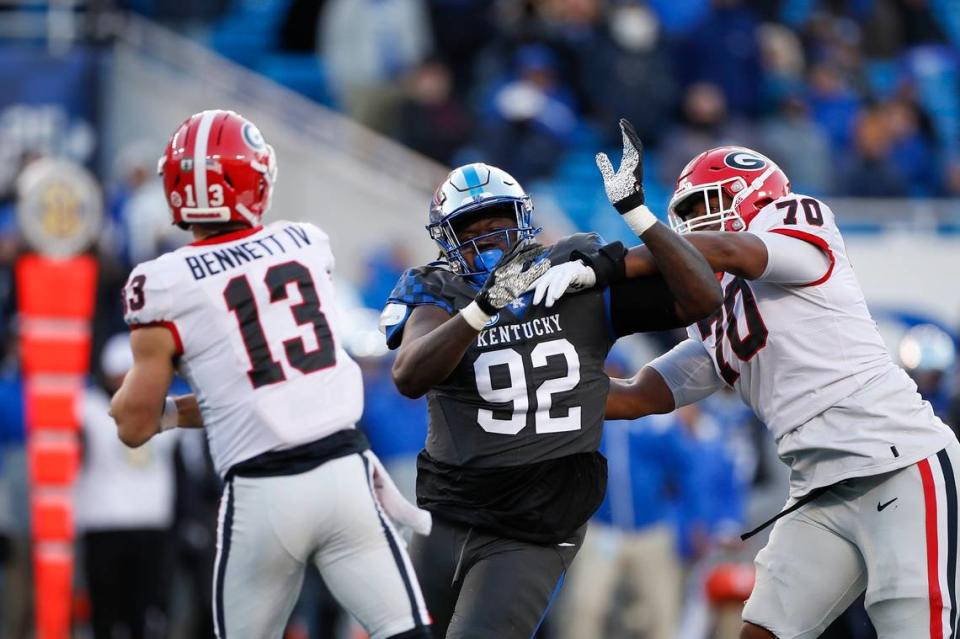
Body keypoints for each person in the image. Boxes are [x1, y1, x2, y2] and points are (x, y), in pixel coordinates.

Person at [533, 142, 960, 638]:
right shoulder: (714, 314)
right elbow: (638, 394)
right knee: (759, 632)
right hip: (818, 492)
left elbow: (735, 250)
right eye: (687, 217)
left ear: (755, 197)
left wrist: (610, 260)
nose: (695, 227)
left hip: (900, 466)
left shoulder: (801, 220)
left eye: (706, 207)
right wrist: (539, 388)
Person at [378, 119, 723, 639]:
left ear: (523, 220)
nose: (487, 239)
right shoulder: (439, 290)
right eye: (469, 231)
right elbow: (408, 375)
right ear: (446, 242)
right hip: (450, 509)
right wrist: (481, 309)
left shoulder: (571, 275)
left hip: (536, 516)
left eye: (496, 222)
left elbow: (703, 297)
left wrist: (635, 217)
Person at [109, 109, 432, 639]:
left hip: (264, 493)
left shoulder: (162, 281)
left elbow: (134, 423)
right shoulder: (303, 243)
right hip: (345, 474)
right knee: (405, 632)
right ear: (254, 180)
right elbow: (271, 382)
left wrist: (157, 412)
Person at [76, 333, 177, 639]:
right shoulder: (85, 409)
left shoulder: (168, 409)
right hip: (102, 519)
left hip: (151, 520)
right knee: (104, 612)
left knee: (144, 613)